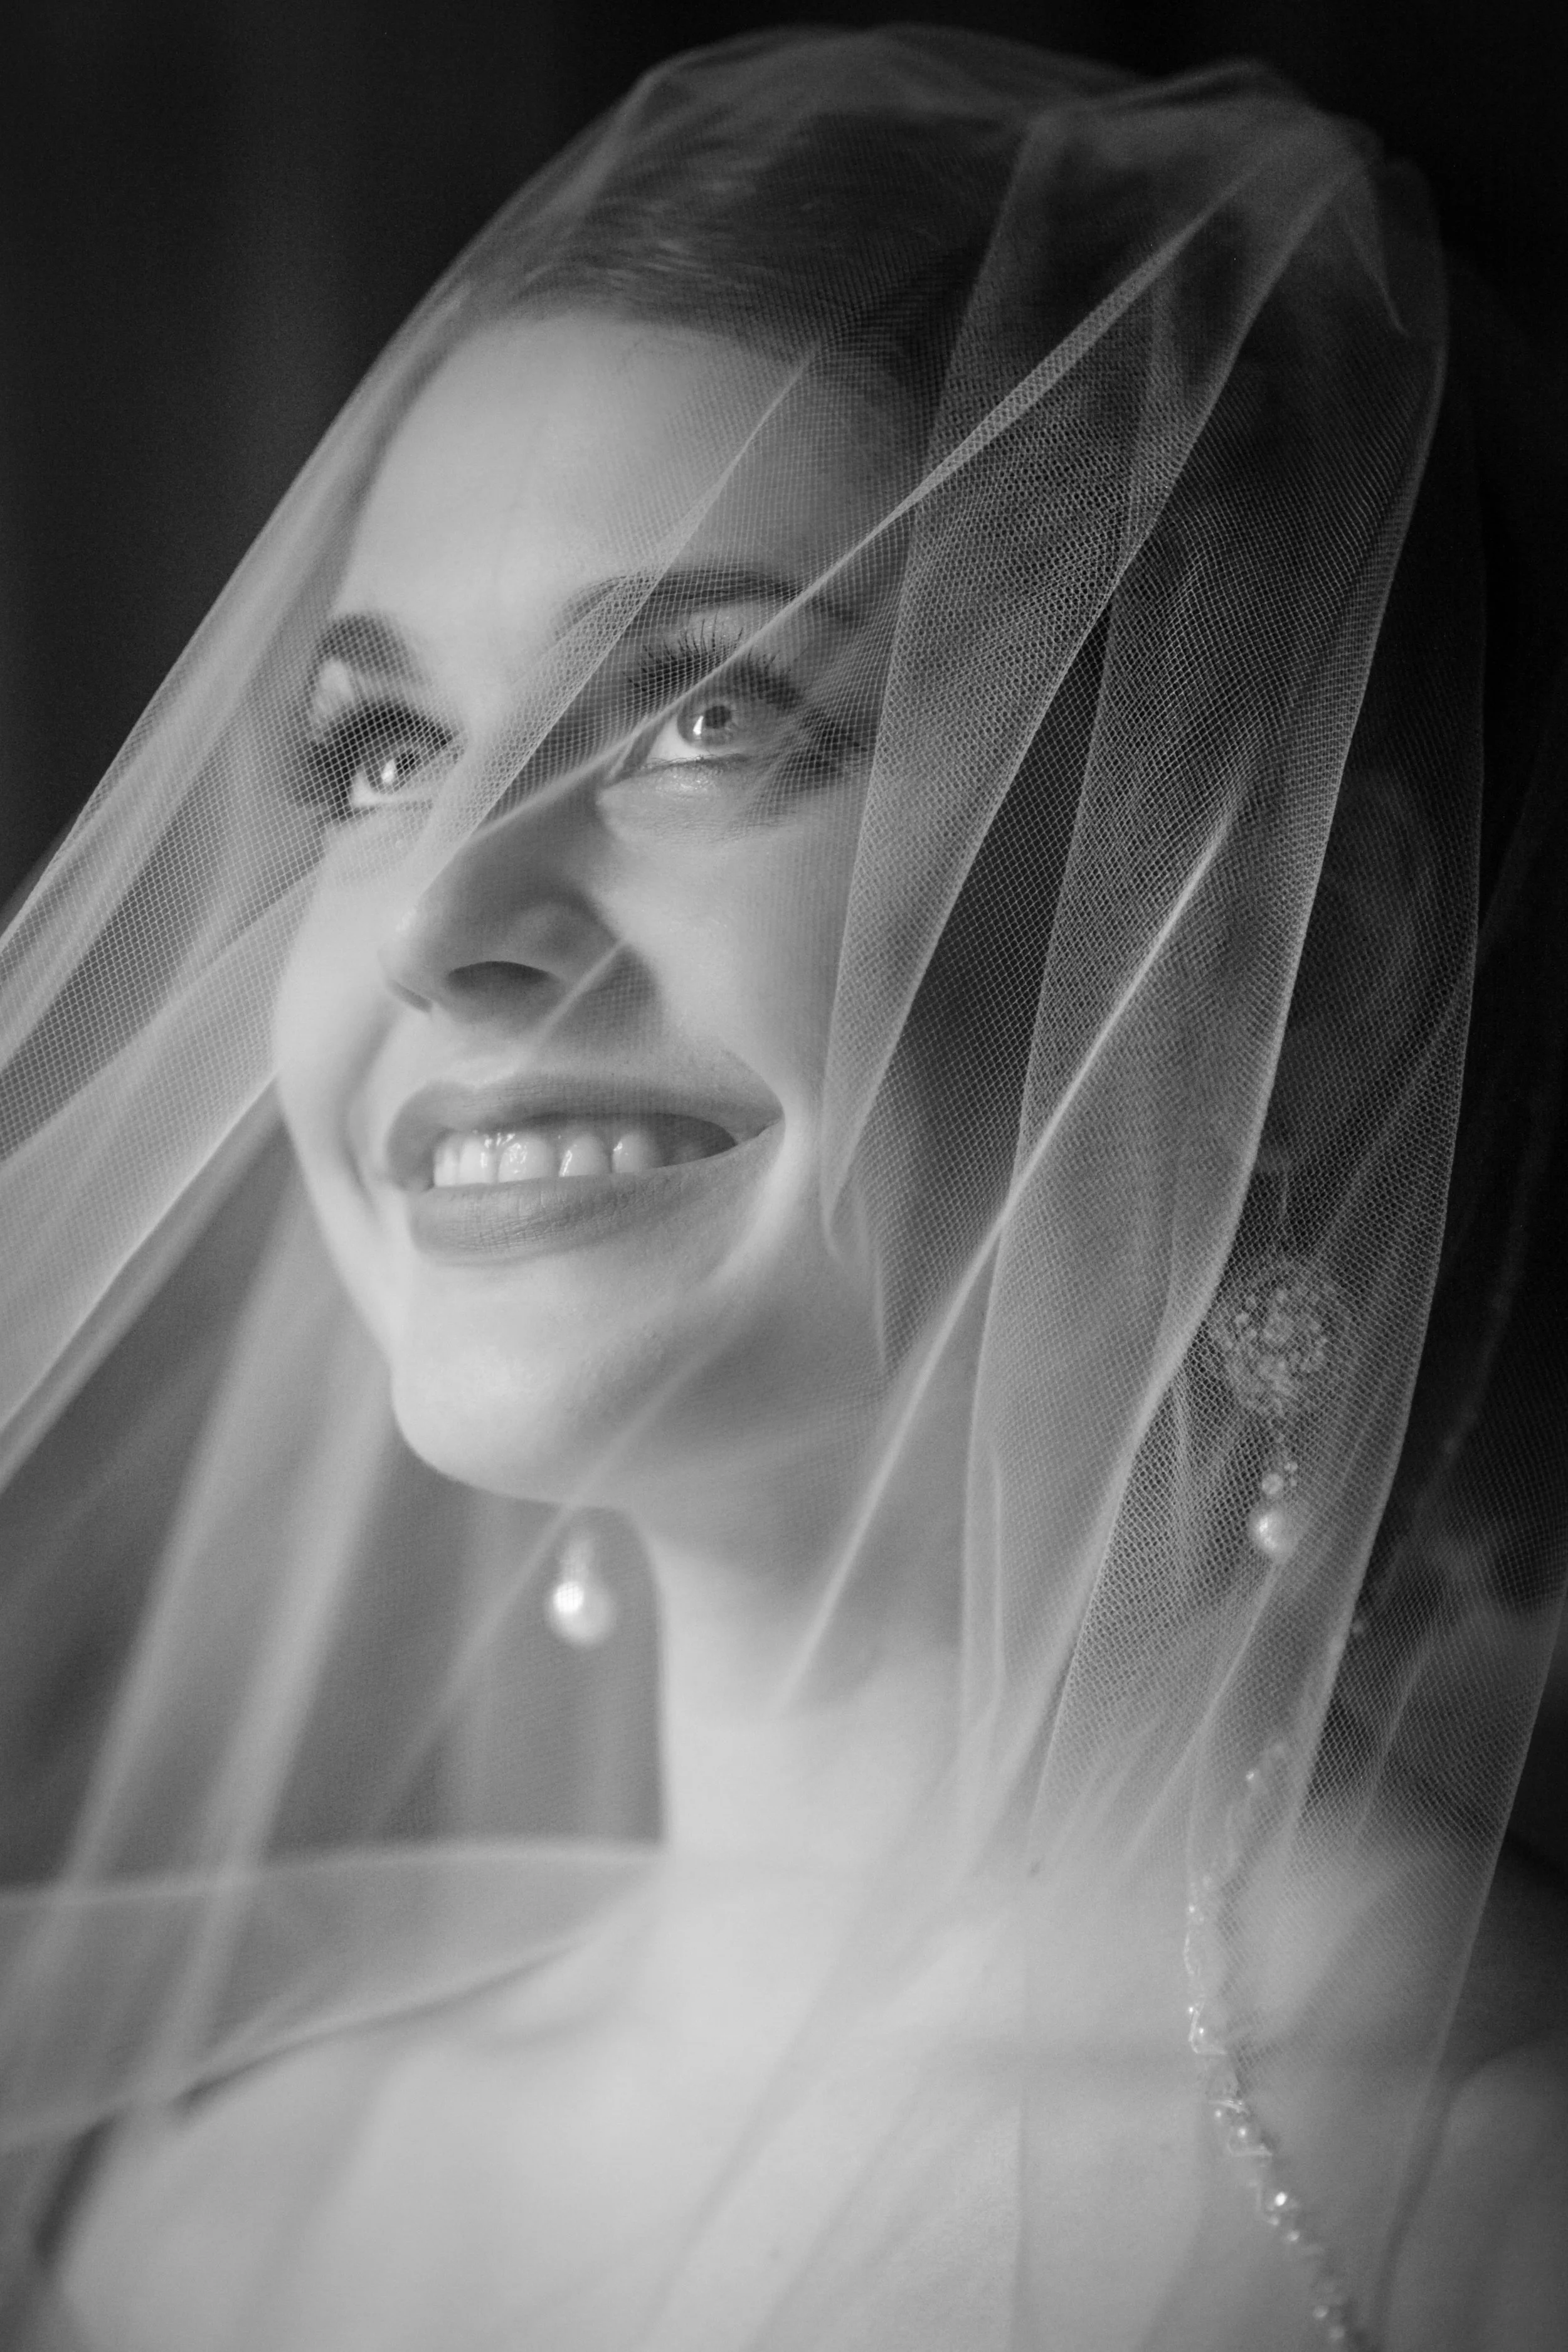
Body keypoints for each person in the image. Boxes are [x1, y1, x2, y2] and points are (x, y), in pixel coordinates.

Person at [1, 25, 1564, 2349]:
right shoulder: (221, 2225)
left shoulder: (1491, 2204)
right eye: (383, 749)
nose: (440, 918)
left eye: (705, 715)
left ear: (1282, 957)